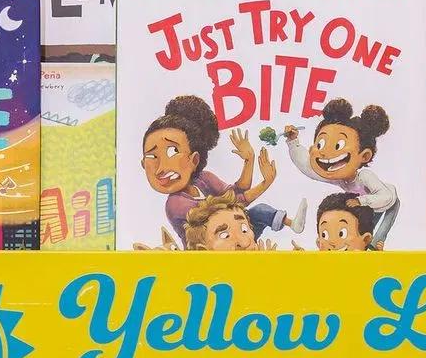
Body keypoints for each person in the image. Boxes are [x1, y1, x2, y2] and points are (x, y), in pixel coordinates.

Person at [139, 93, 299, 244]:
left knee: (260, 211)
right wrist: (265, 183)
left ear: (194, 159)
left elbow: (237, 191)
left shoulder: (203, 179)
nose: (161, 167)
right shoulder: (175, 204)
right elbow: (230, 207)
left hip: (233, 237)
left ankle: (293, 224)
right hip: (209, 250)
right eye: (152, 156)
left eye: (173, 151)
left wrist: (248, 160)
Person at [281, 96, 398, 245]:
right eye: (320, 144)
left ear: (364, 156)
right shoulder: (340, 177)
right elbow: (308, 168)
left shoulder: (365, 176)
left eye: (338, 146)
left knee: (376, 239)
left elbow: (386, 196)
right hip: (366, 207)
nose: (325, 153)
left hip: (388, 202)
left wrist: (360, 201)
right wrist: (293, 142)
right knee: (360, 234)